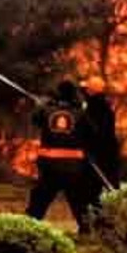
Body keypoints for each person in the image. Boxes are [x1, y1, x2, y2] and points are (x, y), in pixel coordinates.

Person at [26, 81, 102, 233]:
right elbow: (93, 133)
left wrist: (40, 105)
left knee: (39, 202)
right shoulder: (80, 113)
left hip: (49, 168)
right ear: (74, 95)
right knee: (79, 202)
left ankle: (28, 229)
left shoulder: (46, 110)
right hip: (73, 168)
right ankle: (86, 231)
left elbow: (34, 119)